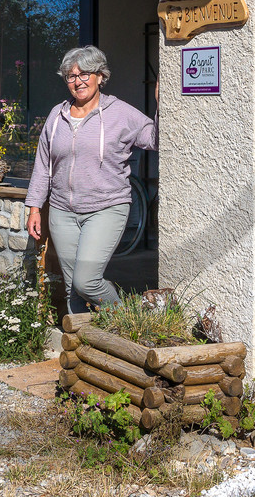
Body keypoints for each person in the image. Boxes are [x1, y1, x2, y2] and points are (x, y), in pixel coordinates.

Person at [25, 46, 157, 313]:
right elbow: (43, 165)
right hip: (63, 211)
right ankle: (83, 344)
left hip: (106, 208)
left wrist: (163, 105)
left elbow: (156, 139)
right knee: (73, 286)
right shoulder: (56, 116)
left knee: (87, 281)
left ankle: (124, 321)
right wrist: (34, 206)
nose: (78, 81)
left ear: (100, 76)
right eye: (71, 76)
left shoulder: (119, 113)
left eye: (85, 73)